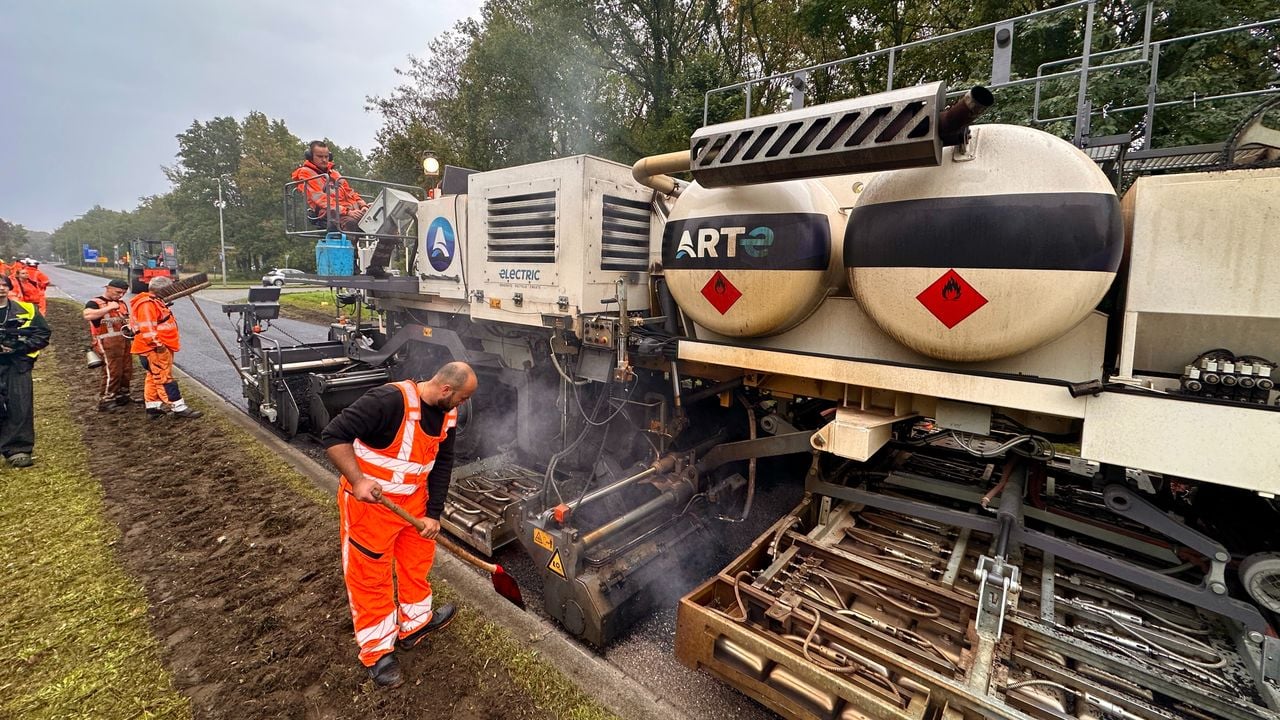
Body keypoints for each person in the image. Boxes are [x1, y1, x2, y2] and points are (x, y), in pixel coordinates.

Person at [321, 362, 477, 688]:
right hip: (371, 506)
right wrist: (358, 480)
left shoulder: (447, 414)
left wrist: (433, 514)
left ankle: (415, 624)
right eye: (462, 399)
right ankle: (378, 651)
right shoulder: (388, 401)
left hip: (414, 504)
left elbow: (442, 463)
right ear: (446, 390)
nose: (462, 406)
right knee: (370, 576)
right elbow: (333, 435)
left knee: (416, 563)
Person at [129, 276, 202, 419]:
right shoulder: (147, 304)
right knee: (164, 378)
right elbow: (148, 329)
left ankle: (153, 408)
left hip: (158, 347)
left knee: (153, 376)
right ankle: (178, 407)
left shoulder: (155, 302)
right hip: (154, 349)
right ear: (162, 289)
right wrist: (159, 346)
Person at [0, 274, 51, 467]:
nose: (1, 288)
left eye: (5, 285)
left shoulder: (27, 309)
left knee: (20, 405)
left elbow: (43, 333)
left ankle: (18, 449)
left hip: (18, 363)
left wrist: (21, 347)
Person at [291, 140, 368, 233]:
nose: (324, 160)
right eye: (320, 156)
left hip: (349, 211)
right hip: (328, 214)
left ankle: (381, 247)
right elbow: (321, 200)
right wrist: (347, 212)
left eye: (326, 157)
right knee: (352, 223)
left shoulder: (335, 174)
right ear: (310, 157)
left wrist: (363, 206)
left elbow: (350, 192)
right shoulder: (306, 173)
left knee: (381, 218)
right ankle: (352, 247)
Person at [83, 278, 134, 411]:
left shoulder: (122, 304)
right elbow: (88, 315)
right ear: (108, 288)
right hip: (106, 343)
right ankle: (107, 399)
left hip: (124, 341)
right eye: (118, 292)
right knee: (113, 371)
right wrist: (109, 308)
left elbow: (126, 319)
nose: (120, 295)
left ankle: (123, 396)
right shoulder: (95, 303)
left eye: (123, 293)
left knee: (126, 369)